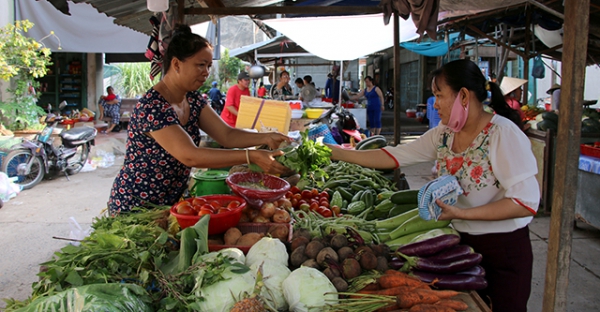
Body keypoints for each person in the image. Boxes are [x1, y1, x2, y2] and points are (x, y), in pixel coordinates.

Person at [329, 59, 539, 312]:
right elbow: (395, 156)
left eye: (439, 95)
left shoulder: (502, 134)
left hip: (504, 248)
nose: (435, 104)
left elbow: (524, 203)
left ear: (463, 95)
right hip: (462, 247)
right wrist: (339, 153)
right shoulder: (445, 133)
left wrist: (463, 214)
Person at [107, 25, 289, 215]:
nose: (206, 72)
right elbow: (189, 155)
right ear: (176, 64)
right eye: (200, 65)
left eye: (209, 66)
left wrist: (266, 138)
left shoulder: (192, 99)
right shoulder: (152, 107)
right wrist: (250, 156)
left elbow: (226, 134)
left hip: (170, 203)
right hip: (137, 205)